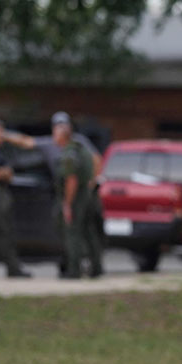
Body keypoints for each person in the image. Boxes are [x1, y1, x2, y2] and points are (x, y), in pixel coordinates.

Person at [51, 112, 102, 279]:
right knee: (89, 232)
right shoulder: (82, 149)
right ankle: (96, 267)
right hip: (88, 195)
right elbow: (96, 161)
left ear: (62, 137)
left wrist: (67, 203)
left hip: (76, 197)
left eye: (55, 134)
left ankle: (74, 270)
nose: (53, 138)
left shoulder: (69, 154)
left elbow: (71, 180)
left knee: (72, 233)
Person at [0, 120, 31, 278]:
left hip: (0, 193)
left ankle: (13, 267)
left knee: (5, 232)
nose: (3, 138)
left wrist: (3, 173)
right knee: (2, 232)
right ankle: (13, 268)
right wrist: (3, 173)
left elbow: (9, 174)